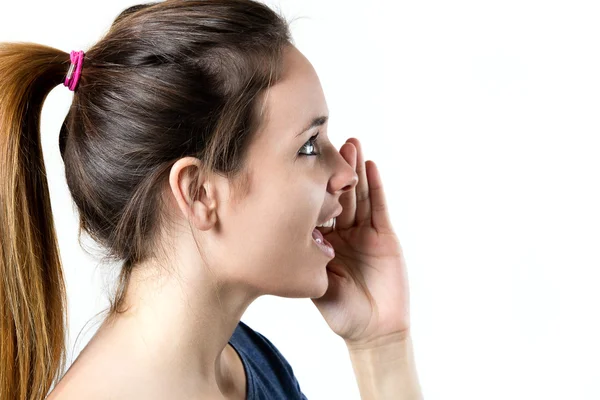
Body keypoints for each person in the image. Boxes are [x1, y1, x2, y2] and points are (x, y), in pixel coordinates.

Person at [0, 1, 423, 399]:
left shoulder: (247, 361)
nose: (347, 174)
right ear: (198, 192)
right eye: (309, 145)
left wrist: (380, 345)